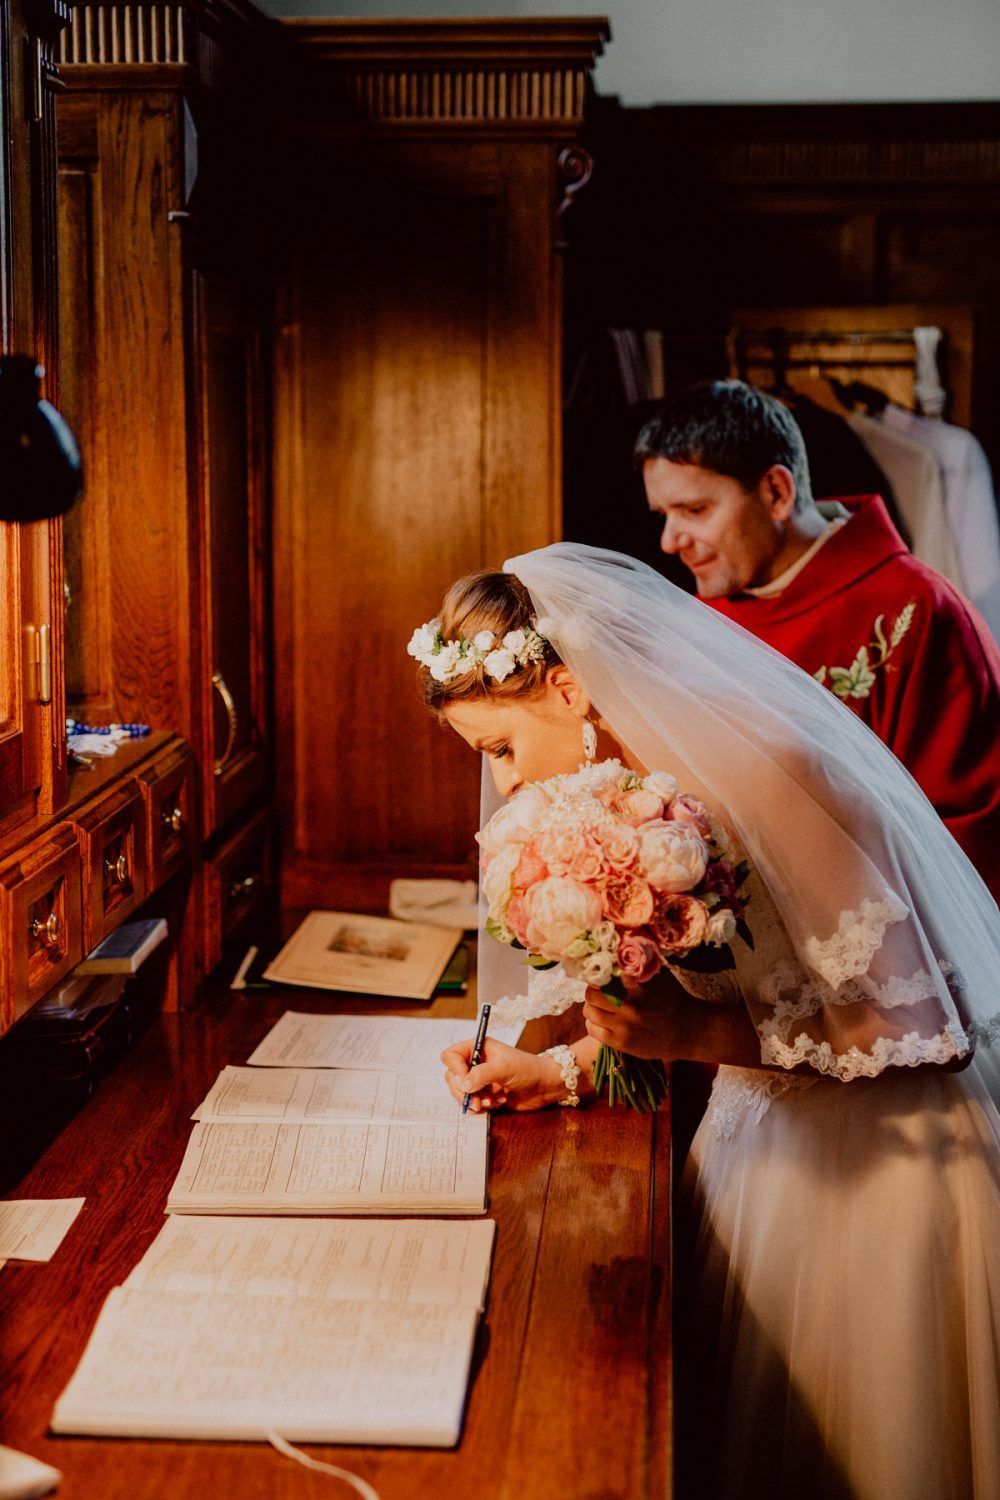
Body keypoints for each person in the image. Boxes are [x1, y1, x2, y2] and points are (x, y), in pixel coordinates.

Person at [408, 542, 1000, 1500]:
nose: (508, 786)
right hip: (762, 1147)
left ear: (567, 692)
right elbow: (744, 995)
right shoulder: (639, 803)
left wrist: (686, 1039)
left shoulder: (774, 773)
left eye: (501, 751)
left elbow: (923, 1035)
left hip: (887, 1173)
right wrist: (570, 1069)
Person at [634, 380, 1000, 902]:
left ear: (777, 493)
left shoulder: (918, 610)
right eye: (664, 515)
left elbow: (970, 831)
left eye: (694, 511)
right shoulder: (696, 618)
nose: (670, 541)